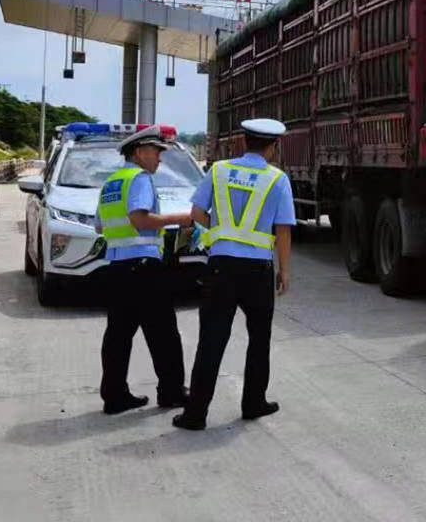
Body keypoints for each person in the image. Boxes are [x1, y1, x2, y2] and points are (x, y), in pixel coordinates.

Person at [173, 118, 295, 431]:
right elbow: (282, 230)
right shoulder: (277, 179)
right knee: (259, 338)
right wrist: (284, 271)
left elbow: (196, 214)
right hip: (257, 271)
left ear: (242, 140)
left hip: (221, 266)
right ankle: (254, 402)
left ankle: (195, 414)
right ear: (273, 146)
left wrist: (219, 232)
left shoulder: (218, 170)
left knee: (211, 339)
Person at [95, 125, 189, 414]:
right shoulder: (140, 178)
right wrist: (183, 218)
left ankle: (114, 395)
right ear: (138, 152)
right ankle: (172, 391)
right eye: (156, 152)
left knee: (118, 335)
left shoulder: (112, 182)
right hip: (144, 268)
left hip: (118, 267)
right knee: (163, 333)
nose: (160, 158)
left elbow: (100, 225)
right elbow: (139, 219)